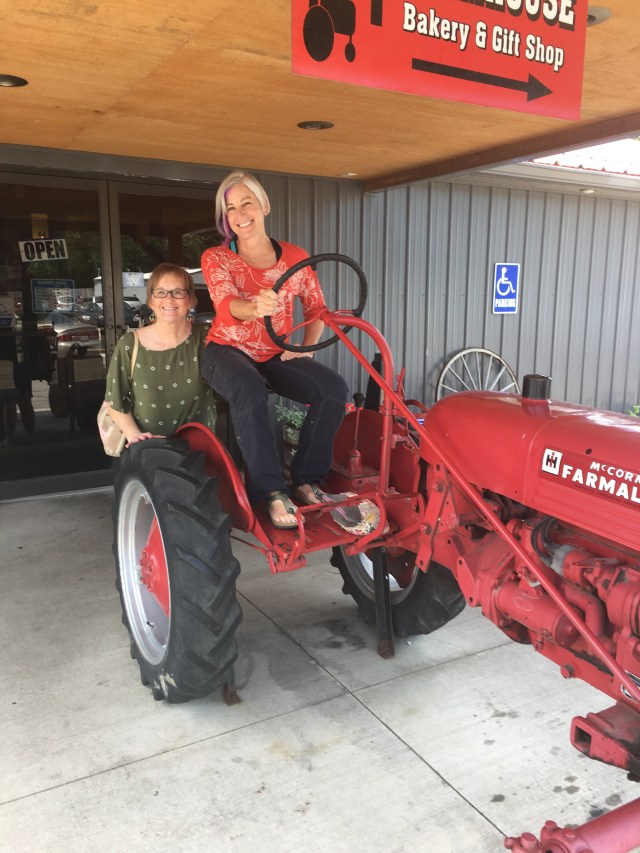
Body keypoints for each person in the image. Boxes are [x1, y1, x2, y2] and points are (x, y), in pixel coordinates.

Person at [200, 169, 349, 529]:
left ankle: (306, 481)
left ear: (264, 206)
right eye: (230, 207)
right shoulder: (217, 258)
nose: (239, 214)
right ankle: (271, 492)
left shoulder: (295, 257)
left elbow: (317, 310)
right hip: (226, 350)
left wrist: (306, 348)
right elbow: (226, 307)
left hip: (274, 352)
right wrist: (255, 308)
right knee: (248, 387)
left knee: (333, 390)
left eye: (246, 203)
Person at [103, 263, 215, 446]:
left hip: (201, 454)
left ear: (190, 300)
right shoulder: (130, 344)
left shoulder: (207, 336)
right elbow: (113, 401)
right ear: (151, 301)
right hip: (149, 456)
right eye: (160, 292)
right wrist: (134, 435)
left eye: (178, 292)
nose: (169, 300)